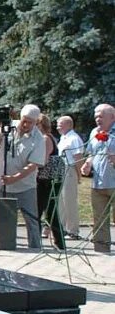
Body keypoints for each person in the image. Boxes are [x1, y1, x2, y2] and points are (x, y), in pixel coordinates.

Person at [0, 104, 47, 250]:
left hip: (25, 186)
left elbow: (33, 165)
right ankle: (3, 245)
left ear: (36, 122)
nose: (26, 124)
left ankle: (35, 247)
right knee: (3, 218)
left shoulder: (38, 139)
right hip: (2, 183)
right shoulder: (8, 128)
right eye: (24, 120)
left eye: (30, 122)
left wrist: (14, 178)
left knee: (31, 219)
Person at [80, 103, 115, 254]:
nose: (97, 119)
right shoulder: (94, 132)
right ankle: (102, 251)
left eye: (101, 116)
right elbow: (91, 154)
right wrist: (87, 165)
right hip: (98, 184)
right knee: (99, 221)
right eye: (96, 116)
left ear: (112, 117)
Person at [35, 114, 66, 251]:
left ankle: (57, 241)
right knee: (48, 210)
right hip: (48, 179)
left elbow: (44, 160)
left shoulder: (46, 138)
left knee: (45, 210)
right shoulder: (49, 137)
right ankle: (58, 241)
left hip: (47, 179)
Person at [56, 116, 85, 239]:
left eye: (60, 124)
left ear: (69, 124)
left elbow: (78, 158)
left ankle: (73, 231)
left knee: (69, 201)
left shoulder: (74, 138)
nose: (58, 126)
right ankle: (61, 229)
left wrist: (79, 174)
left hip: (70, 169)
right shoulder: (63, 138)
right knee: (61, 201)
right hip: (61, 170)